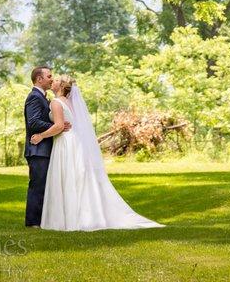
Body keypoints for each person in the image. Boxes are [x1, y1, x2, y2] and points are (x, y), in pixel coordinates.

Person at [30, 74, 165, 231]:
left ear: (61, 86)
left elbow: (59, 126)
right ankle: (83, 215)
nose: (53, 81)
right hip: (74, 142)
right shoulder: (69, 101)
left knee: (68, 177)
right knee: (77, 178)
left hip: (65, 142)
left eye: (57, 80)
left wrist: (41, 136)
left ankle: (70, 219)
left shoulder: (56, 102)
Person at [23, 66, 71, 228]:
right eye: (49, 76)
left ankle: (44, 220)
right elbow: (34, 122)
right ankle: (33, 223)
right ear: (39, 79)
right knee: (38, 185)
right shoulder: (34, 97)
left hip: (46, 148)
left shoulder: (45, 97)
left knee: (46, 186)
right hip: (38, 149)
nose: (52, 79)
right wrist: (57, 125)